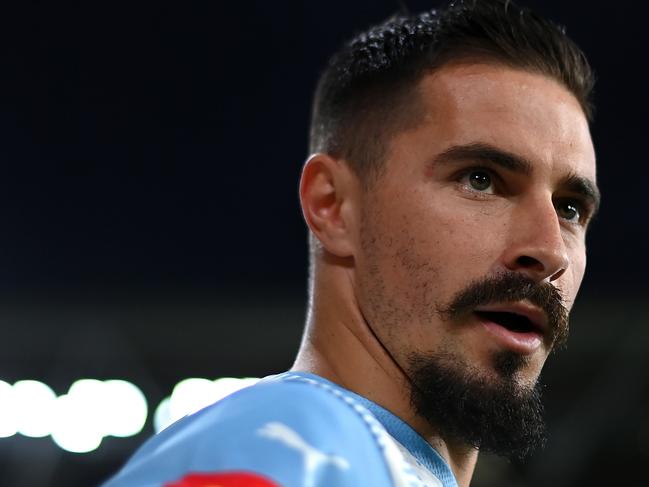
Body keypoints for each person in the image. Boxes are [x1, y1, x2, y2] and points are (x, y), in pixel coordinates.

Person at [103, 1, 600, 486]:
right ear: (333, 205)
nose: (550, 250)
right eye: (481, 179)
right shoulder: (275, 457)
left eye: (570, 208)